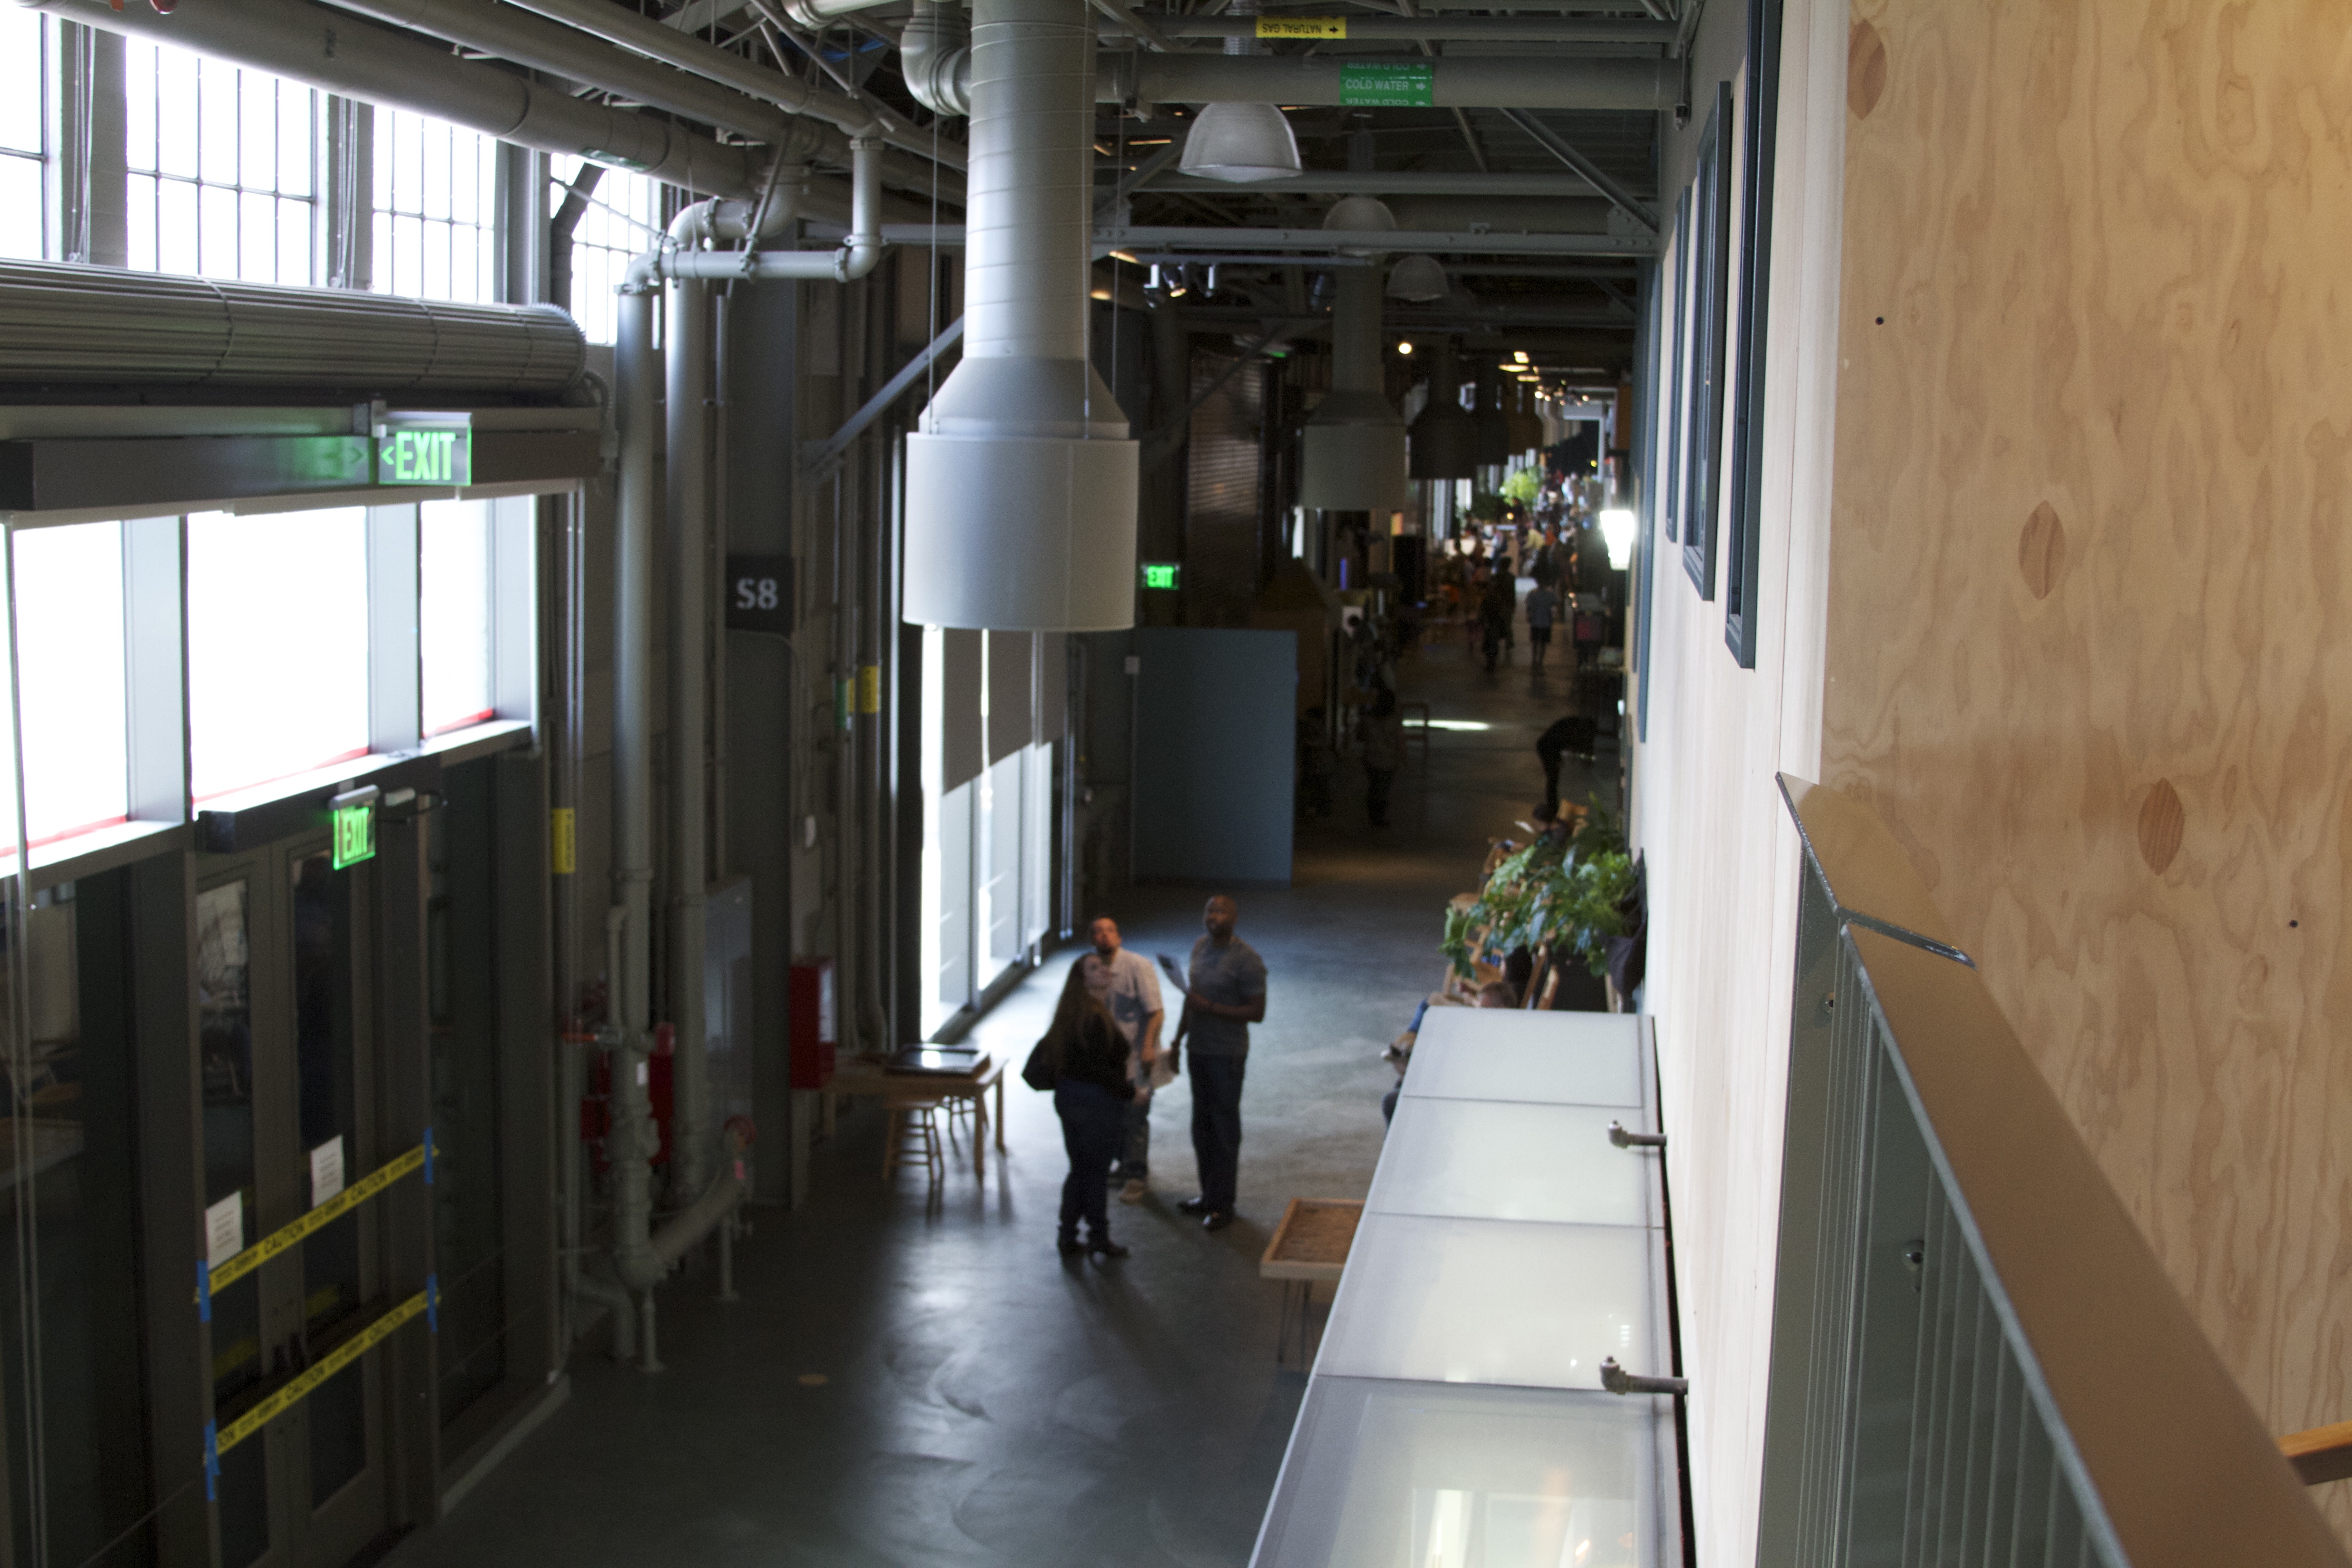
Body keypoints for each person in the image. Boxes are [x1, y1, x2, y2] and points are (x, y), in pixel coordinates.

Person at [1176, 895, 1267, 1230]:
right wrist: (1177, 1040)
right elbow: (1191, 1000)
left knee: (1224, 1129)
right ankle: (1208, 1196)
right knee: (1202, 1127)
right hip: (1198, 1049)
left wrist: (1211, 1009)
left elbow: (1257, 1012)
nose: (1214, 916)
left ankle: (1223, 1204)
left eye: (1221, 911)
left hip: (1226, 1055)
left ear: (1235, 918)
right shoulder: (1200, 947)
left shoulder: (1247, 960)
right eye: (1209, 911)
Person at [1039, 957, 1137, 1257]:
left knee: (1081, 1170)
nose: (1104, 969)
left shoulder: (1076, 1013)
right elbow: (1099, 1070)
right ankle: (1097, 1236)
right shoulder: (1093, 1018)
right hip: (1094, 1103)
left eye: (1103, 966)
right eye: (1094, 968)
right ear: (1083, 981)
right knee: (1094, 1172)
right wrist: (1130, 1093)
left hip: (1071, 1098)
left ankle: (1069, 1235)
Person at [1081, 916, 1164, 1204]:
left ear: (1119, 937)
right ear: (1092, 939)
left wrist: (1149, 1047)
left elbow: (1155, 1011)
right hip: (1107, 1059)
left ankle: (1137, 1176)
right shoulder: (1091, 969)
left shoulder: (1138, 966)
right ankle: (1123, 1165)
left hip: (1136, 1055)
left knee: (1135, 1118)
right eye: (1098, 932)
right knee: (1112, 1115)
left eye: (1110, 931)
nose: (1104, 936)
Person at [1359, 686, 1406, 828]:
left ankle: (1373, 815)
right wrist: (1403, 757)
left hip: (1371, 757)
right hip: (1388, 760)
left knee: (1373, 786)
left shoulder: (1368, 718)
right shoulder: (1395, 720)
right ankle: (1379, 817)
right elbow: (1400, 740)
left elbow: (1362, 736)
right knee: (1383, 789)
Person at [1536, 710, 1598, 811]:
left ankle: (1553, 806)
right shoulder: (1573, 730)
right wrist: (1557, 760)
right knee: (1553, 779)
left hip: (1549, 747)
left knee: (1553, 780)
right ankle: (1552, 807)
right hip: (1547, 749)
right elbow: (1555, 744)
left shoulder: (1573, 725)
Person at [1478, 575, 1515, 673]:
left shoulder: (1489, 600)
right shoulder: (1496, 600)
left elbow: (1482, 613)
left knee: (1490, 644)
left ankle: (1490, 663)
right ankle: (1491, 663)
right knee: (1492, 645)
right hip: (1493, 625)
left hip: (1492, 625)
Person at [1524, 578, 1560, 672]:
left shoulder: (1533, 594)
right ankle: (1540, 662)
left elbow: (1528, 606)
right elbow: (1557, 602)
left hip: (1535, 622)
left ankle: (1534, 660)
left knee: (1535, 643)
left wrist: (1529, 615)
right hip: (1546, 622)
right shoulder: (1550, 594)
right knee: (1543, 643)